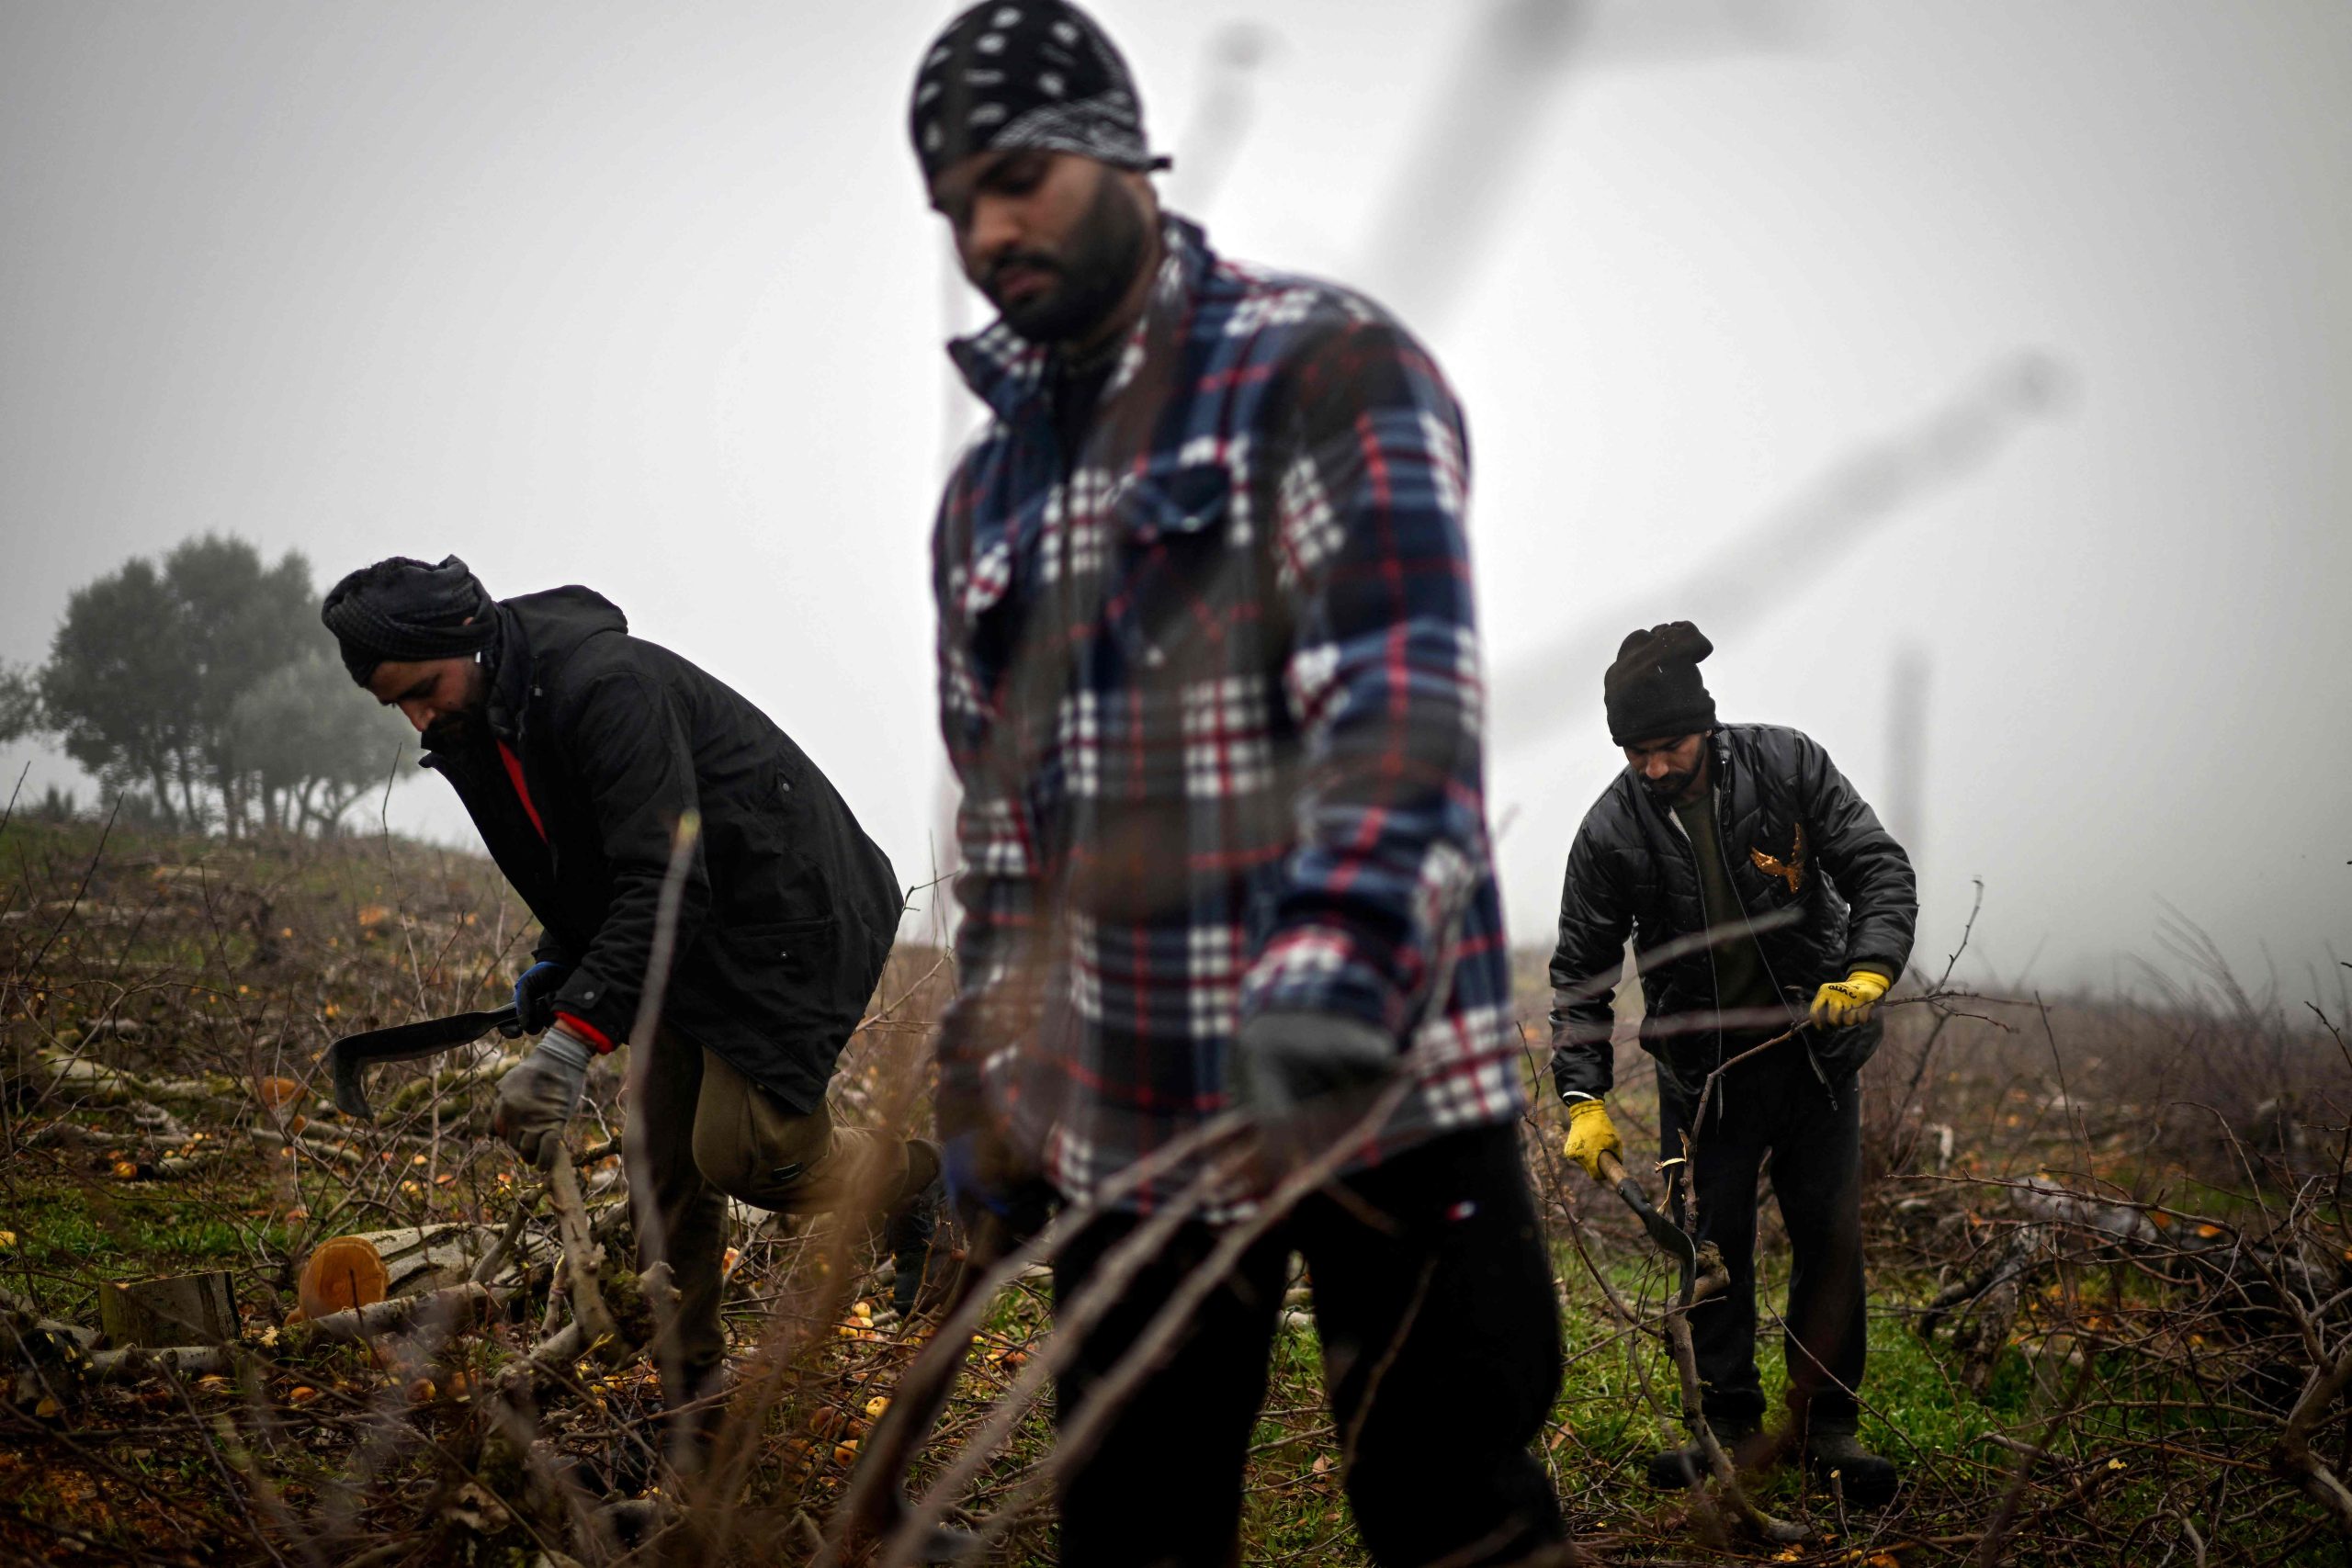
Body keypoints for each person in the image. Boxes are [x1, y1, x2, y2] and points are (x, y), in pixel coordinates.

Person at [910, 6, 1568, 1565]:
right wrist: (983, 1076)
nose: (986, 230)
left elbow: (1401, 700)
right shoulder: (984, 496)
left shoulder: (1325, 367)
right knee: (1131, 1521)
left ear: (1121, 150)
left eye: (1015, 177)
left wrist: (1330, 968)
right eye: (953, 207)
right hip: (1131, 1114)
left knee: (1452, 1510)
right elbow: (1004, 837)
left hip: (1381, 1090)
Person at [319, 555, 938, 1428]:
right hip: (695, 931)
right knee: (659, 1163)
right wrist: (562, 959)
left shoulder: (605, 689)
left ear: (468, 638)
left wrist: (573, 1040)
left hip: (791, 912)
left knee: (745, 1152)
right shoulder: (485, 723)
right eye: (400, 705)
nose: (421, 715)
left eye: (425, 687)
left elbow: (663, 876)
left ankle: (925, 1184)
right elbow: (580, 858)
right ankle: (697, 1405)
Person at [1547, 620, 1917, 1505]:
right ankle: (1729, 1430)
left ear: (1702, 726)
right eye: (1636, 752)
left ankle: (1826, 1426)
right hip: (1700, 1077)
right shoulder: (1610, 829)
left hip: (1815, 1055)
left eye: (1667, 746)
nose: (1652, 767)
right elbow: (1580, 975)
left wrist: (1866, 969)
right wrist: (1582, 1096)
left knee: (1827, 1237)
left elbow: (1877, 866)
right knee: (1713, 1251)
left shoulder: (1789, 765)